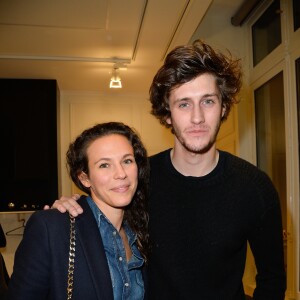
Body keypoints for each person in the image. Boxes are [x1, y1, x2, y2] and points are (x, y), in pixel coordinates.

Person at [50, 40, 286, 299]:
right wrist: (70, 209)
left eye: (208, 101)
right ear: (167, 115)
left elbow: (272, 280)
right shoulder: (138, 178)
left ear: (224, 107)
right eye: (184, 104)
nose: (197, 117)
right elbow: (102, 217)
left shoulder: (255, 187)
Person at [6, 122, 150, 300]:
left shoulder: (140, 231)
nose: (121, 174)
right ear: (85, 178)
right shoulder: (52, 228)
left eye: (127, 161)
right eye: (105, 165)